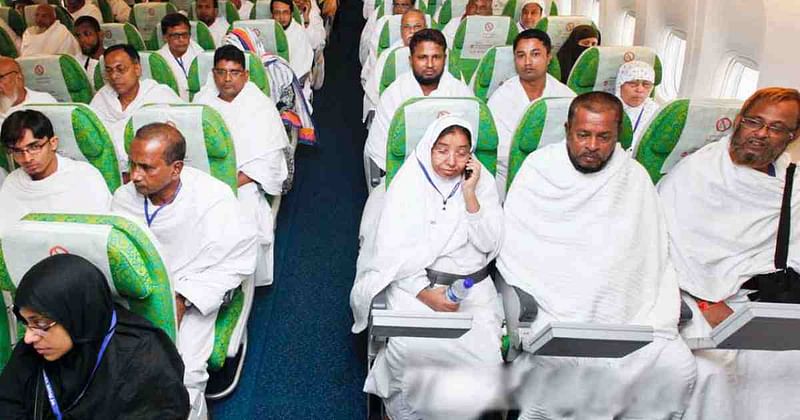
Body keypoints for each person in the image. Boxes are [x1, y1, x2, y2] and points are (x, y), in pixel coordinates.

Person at [498, 92, 696, 418]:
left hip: (627, 311)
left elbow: (648, 252)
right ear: (567, 130)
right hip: (557, 308)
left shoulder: (633, 177)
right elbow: (522, 245)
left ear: (617, 136)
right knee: (564, 370)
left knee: (678, 367)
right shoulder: (539, 169)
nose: (592, 145)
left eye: (603, 137)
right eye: (583, 135)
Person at [658, 87, 800, 420]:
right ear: (738, 122)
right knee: (709, 371)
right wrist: (707, 303)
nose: (762, 134)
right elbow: (665, 250)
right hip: (692, 297)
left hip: (762, 297)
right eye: (755, 122)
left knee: (790, 362)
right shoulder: (697, 173)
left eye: (777, 128)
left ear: (791, 137)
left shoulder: (792, 184)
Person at [351, 115, 505, 420]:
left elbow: (490, 244)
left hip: (472, 288)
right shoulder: (409, 183)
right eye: (442, 150)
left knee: (485, 363)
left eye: (462, 152)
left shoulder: (481, 183)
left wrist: (470, 194)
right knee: (410, 353)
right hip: (417, 285)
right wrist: (426, 293)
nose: (452, 160)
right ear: (428, 148)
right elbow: (395, 251)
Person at [111, 123, 257, 420]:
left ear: (176, 168)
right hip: (137, 296)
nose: (134, 175)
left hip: (193, 294)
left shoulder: (213, 198)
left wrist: (183, 298)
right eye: (132, 164)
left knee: (183, 372)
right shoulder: (124, 198)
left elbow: (236, 259)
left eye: (146, 168)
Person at [0, 254, 190, 419]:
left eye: (39, 323)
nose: (28, 338)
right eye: (26, 323)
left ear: (75, 314)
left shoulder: (144, 362)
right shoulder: (33, 349)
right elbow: (7, 404)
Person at [193, 45, 289, 287]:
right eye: (221, 72)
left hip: (243, 182)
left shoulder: (259, 106)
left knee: (240, 218)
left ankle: (240, 283)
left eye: (234, 72)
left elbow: (268, 163)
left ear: (245, 75)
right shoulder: (201, 103)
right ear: (213, 73)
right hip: (202, 181)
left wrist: (227, 182)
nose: (227, 79)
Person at [365, 29, 473, 174]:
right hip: (403, 174)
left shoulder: (461, 94)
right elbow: (381, 150)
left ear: (445, 59)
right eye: (422, 57)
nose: (430, 64)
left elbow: (470, 146)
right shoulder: (394, 94)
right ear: (411, 60)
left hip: (452, 174)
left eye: (436, 57)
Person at [487, 29, 575, 199]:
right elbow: (499, 150)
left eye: (535, 54)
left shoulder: (567, 98)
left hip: (558, 174)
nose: (527, 62)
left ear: (549, 57)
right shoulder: (501, 97)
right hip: (512, 176)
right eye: (521, 55)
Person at [0, 110, 111, 236]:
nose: (27, 158)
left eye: (34, 147)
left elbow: (99, 233)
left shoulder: (84, 176)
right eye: (18, 151)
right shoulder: (13, 183)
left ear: (53, 143)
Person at [90, 44, 182, 175]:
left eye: (120, 69)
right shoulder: (102, 97)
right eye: (109, 71)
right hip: (105, 171)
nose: (114, 76)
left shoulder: (159, 95)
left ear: (137, 68)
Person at [361, 8, 427, 123]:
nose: (412, 31)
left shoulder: (438, 57)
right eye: (407, 27)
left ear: (425, 29)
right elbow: (374, 94)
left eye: (417, 27)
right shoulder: (388, 58)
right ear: (401, 31)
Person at [157, 13, 204, 101]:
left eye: (185, 35)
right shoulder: (159, 60)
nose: (181, 40)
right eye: (175, 36)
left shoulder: (199, 53)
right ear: (165, 37)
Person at [615, 60, 658, 149]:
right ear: (620, 84)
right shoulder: (607, 107)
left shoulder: (656, 112)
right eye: (633, 83)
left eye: (646, 84)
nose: (640, 90)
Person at [359, 0, 413, 71]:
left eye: (404, 5)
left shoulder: (420, 22)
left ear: (412, 7)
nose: (399, 10)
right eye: (396, 5)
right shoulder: (382, 23)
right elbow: (365, 44)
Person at [271, 0, 314, 85]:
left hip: (293, 83)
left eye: (285, 12)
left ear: (291, 13)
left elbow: (299, 70)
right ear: (272, 15)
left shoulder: (299, 33)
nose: (281, 17)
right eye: (277, 13)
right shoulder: (268, 31)